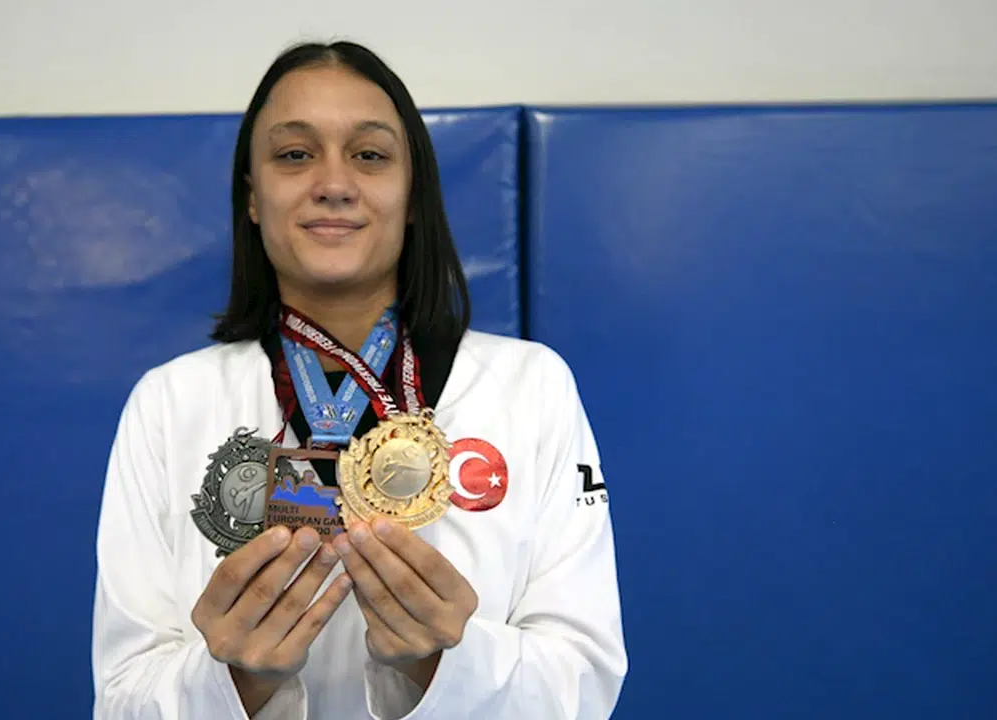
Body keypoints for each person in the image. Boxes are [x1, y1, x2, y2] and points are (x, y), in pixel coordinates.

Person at [90, 40, 627, 719]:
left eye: (369, 155)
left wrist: (442, 664)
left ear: (412, 196)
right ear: (252, 197)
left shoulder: (530, 388)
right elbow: (121, 699)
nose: (334, 183)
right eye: (294, 155)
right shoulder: (171, 404)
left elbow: (583, 685)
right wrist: (235, 682)